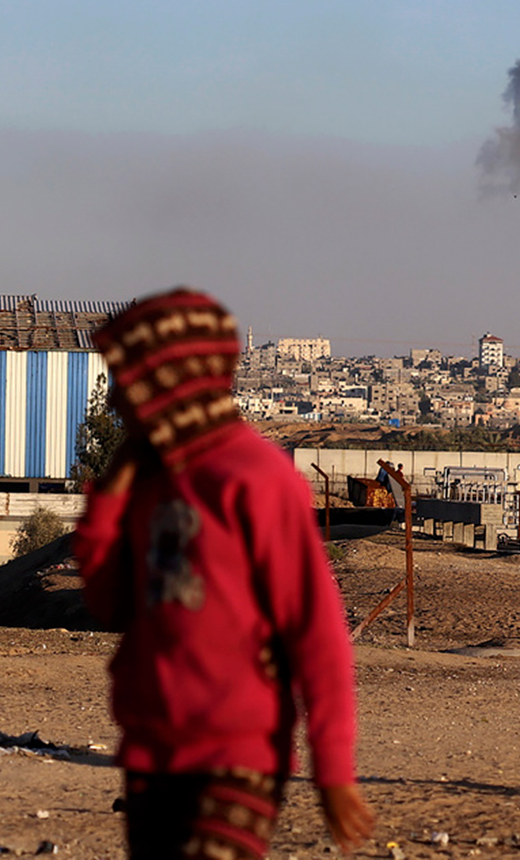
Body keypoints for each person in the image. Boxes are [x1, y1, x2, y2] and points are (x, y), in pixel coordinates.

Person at [73, 289, 374, 859]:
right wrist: (110, 497)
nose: (114, 398)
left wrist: (332, 767)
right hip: (151, 750)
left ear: (170, 383)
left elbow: (316, 631)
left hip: (239, 754)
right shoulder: (151, 482)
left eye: (125, 380)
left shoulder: (255, 479)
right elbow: (109, 603)